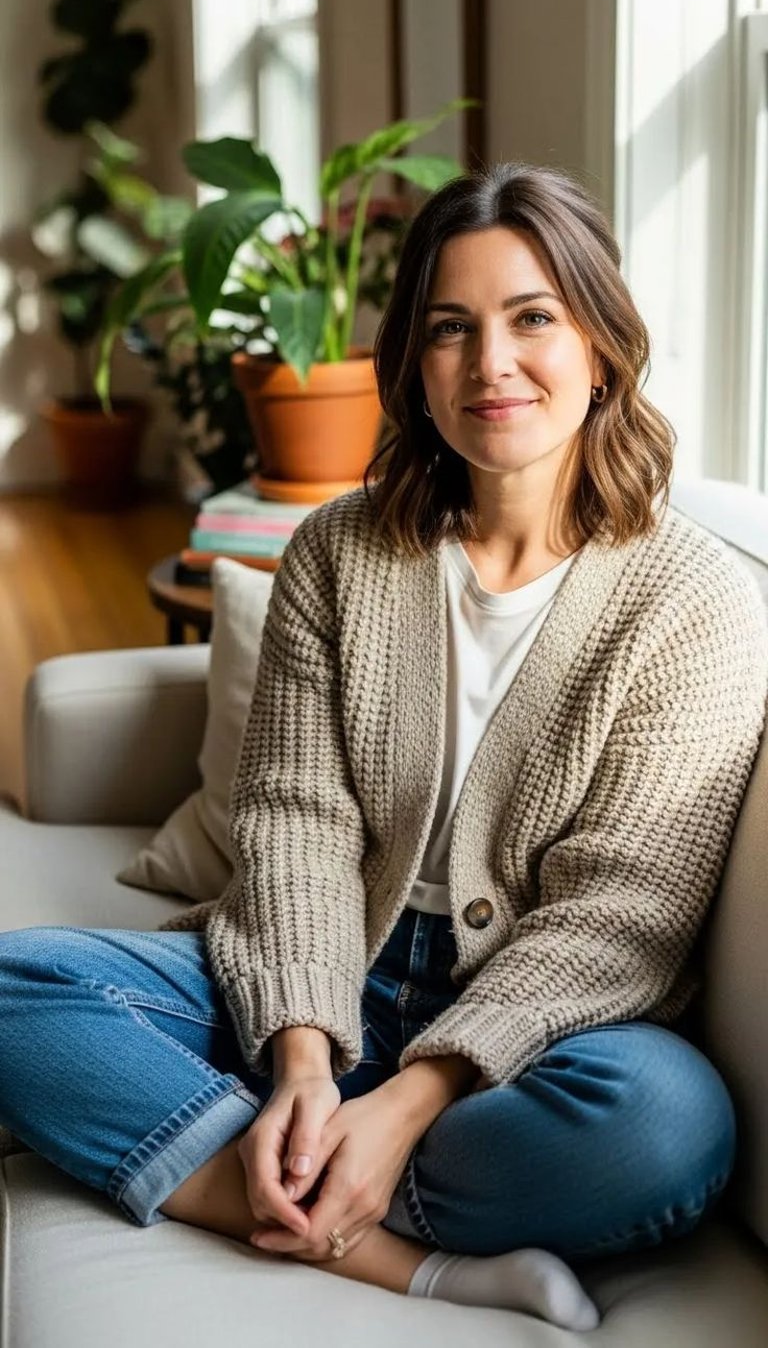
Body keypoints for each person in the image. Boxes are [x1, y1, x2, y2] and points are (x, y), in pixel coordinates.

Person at [1, 162, 767, 1333]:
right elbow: (298, 822)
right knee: (15, 989)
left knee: (669, 1125)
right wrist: (304, 1061)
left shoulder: (697, 602)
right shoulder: (338, 556)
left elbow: (623, 912)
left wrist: (413, 1097)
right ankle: (398, 1257)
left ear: (603, 345)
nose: (490, 364)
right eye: (449, 329)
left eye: (532, 320)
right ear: (411, 362)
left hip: (531, 1030)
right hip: (326, 961)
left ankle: (279, 1165)